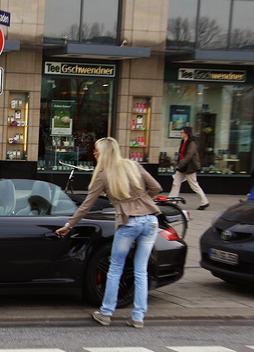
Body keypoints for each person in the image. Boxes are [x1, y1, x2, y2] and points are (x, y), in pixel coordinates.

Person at [56, 137, 162, 329]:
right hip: (150, 221)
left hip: (129, 222)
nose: (94, 154)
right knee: (140, 270)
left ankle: (106, 313)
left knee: (115, 268)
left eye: (96, 151)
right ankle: (138, 317)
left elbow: (86, 205)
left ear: (104, 153)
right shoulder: (133, 166)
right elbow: (156, 187)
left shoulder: (104, 175)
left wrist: (69, 225)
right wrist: (142, 202)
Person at [168, 126, 209, 210]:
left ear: (186, 133)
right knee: (176, 183)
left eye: (182, 132)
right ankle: (172, 201)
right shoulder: (183, 141)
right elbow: (181, 154)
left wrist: (180, 164)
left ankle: (204, 202)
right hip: (182, 167)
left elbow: (189, 156)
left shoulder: (191, 143)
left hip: (189, 167)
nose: (181, 134)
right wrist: (179, 164)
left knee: (194, 185)